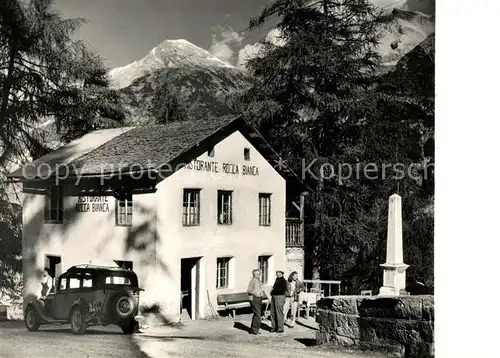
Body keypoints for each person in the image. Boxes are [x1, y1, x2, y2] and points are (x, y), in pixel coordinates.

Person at [247, 269, 267, 335]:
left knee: (256, 314)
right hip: (254, 299)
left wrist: (261, 293)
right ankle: (255, 330)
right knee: (258, 315)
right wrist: (255, 293)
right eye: (255, 274)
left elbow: (260, 289)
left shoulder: (258, 281)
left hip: (259, 299)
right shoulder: (252, 281)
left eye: (258, 274)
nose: (257, 275)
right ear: (253, 274)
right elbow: (249, 290)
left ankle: (253, 329)